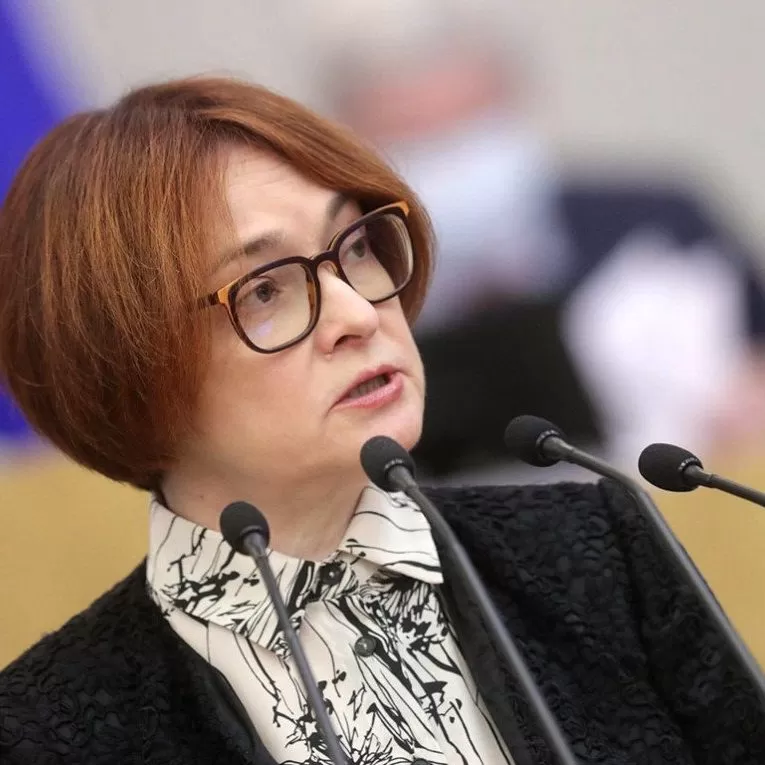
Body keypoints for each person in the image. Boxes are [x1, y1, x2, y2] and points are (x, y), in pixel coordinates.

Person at [0, 76, 762, 765]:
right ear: (125, 362)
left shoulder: (597, 547)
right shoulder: (40, 729)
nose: (359, 314)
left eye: (357, 247)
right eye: (264, 289)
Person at [307, 0, 765, 478]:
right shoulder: (346, 291)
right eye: (419, 142)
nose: (458, 161)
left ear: (514, 98)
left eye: (470, 125)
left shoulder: (659, 222)